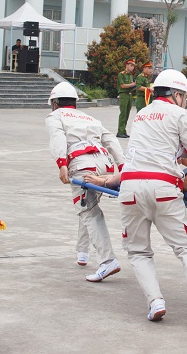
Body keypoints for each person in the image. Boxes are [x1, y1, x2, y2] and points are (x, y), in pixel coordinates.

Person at [119, 69, 187, 329]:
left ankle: (156, 302)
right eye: (184, 97)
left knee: (138, 250)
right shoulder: (179, 114)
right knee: (186, 248)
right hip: (164, 188)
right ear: (177, 94)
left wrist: (183, 155)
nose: (185, 102)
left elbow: (161, 147)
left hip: (130, 188)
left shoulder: (142, 114)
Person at [46, 81, 125, 282]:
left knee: (88, 211)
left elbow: (57, 137)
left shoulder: (55, 116)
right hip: (104, 164)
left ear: (54, 103)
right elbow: (111, 140)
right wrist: (123, 167)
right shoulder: (89, 117)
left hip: (83, 165)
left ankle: (108, 261)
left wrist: (61, 163)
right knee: (89, 204)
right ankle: (82, 252)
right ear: (75, 102)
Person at [116, 58, 136, 138]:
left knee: (127, 114)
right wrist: (132, 84)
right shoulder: (121, 74)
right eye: (131, 65)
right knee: (123, 113)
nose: (132, 67)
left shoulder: (130, 75)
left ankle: (123, 131)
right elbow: (123, 86)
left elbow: (131, 86)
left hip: (130, 94)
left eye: (133, 66)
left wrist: (135, 86)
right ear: (127, 65)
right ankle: (120, 131)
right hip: (124, 95)